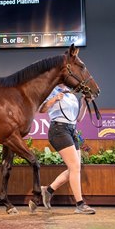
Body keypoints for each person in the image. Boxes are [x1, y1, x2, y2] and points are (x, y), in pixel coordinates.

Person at [38, 83, 96, 214]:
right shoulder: (51, 91)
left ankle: (48, 190)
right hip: (58, 129)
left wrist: (84, 103)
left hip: (71, 129)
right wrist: (54, 99)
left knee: (74, 168)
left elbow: (78, 119)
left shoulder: (71, 95)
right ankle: (80, 204)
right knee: (75, 167)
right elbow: (42, 109)